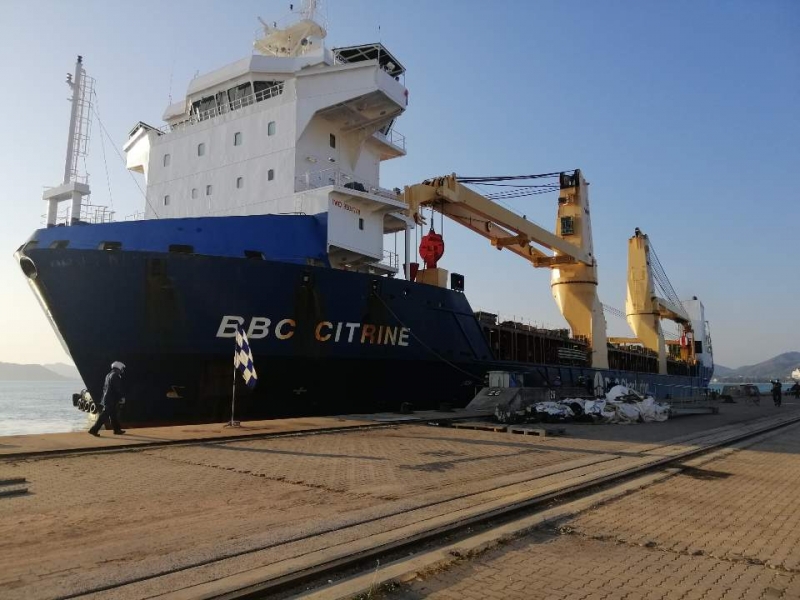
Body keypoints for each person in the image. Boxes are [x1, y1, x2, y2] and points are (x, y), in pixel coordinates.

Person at [88, 361, 127, 436]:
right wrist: (121, 397)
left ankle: (117, 430)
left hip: (108, 398)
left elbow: (105, 388)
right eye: (122, 368)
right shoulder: (115, 375)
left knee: (113, 415)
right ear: (118, 368)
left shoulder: (108, 375)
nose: (122, 370)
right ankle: (93, 430)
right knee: (104, 415)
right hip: (111, 400)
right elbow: (117, 388)